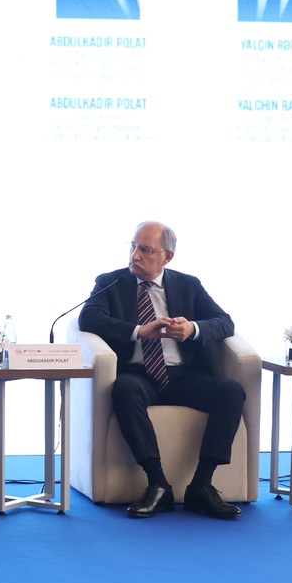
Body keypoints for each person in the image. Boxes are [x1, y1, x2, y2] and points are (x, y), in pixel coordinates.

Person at [75, 222, 244, 520]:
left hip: (183, 375)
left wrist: (193, 329)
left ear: (167, 257)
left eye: (145, 250)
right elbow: (88, 318)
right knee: (124, 388)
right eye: (133, 247)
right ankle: (158, 484)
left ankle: (201, 486)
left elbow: (224, 322)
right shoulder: (111, 282)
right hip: (139, 373)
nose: (135, 256)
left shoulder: (188, 285)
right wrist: (139, 331)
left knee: (231, 391)